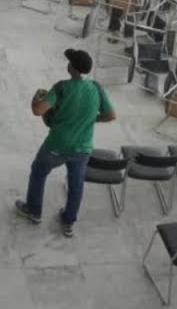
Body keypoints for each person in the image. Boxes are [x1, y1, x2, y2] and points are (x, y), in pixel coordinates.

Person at [14, 49, 116, 238]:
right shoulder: (96, 87)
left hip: (56, 146)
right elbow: (111, 115)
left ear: (71, 67)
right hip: (83, 148)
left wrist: (35, 99)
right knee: (76, 184)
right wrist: (91, 119)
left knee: (38, 172)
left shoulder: (61, 88)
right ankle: (68, 221)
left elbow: (38, 110)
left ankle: (33, 211)